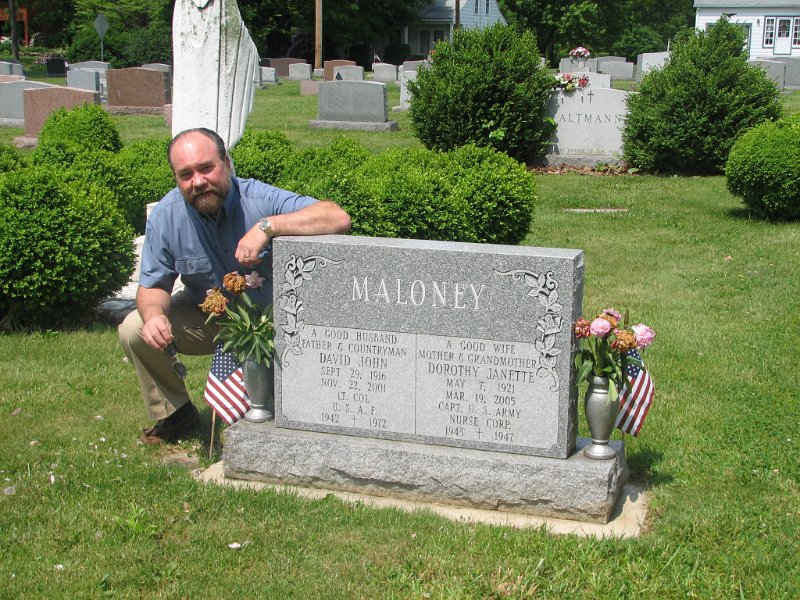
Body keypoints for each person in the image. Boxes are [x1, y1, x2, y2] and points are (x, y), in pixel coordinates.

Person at [119, 128, 351, 444]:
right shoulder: (166, 216)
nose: (198, 182)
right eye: (185, 174)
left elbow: (336, 217)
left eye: (206, 168)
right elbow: (153, 285)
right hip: (214, 320)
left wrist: (267, 227)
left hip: (274, 324)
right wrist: (155, 314)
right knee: (135, 327)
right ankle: (175, 414)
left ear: (227, 163)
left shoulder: (259, 199)